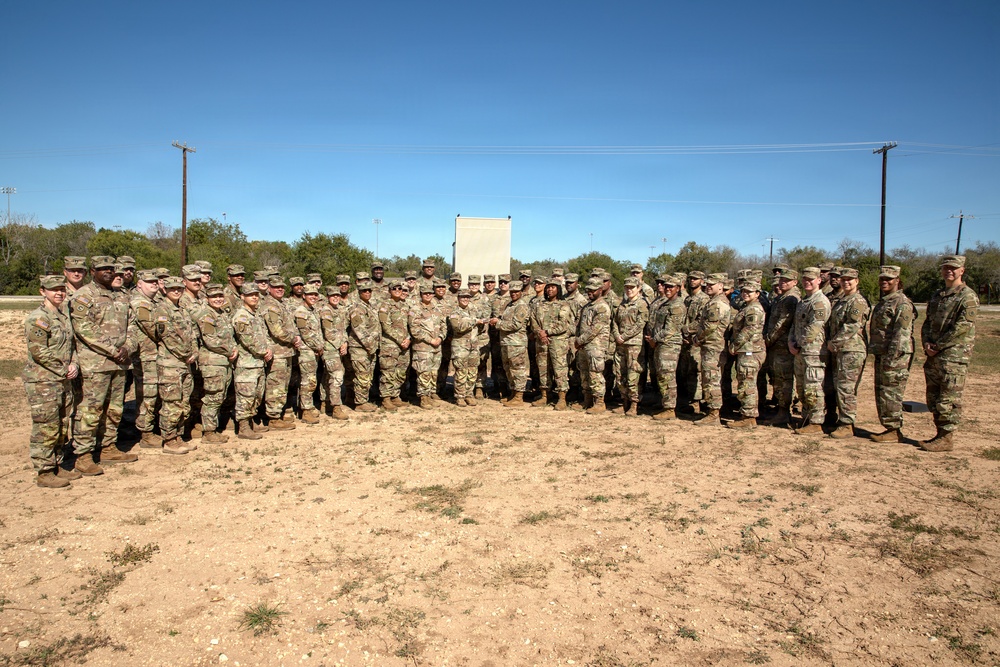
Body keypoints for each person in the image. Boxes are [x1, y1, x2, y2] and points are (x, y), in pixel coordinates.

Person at [70, 255, 137, 472]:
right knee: (90, 410)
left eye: (111, 268)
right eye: (103, 268)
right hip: (96, 364)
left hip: (120, 363)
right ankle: (83, 455)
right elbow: (84, 329)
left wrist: (128, 347)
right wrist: (113, 350)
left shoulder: (121, 296)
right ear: (93, 272)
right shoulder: (84, 296)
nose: (108, 271)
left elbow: (133, 325)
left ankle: (108, 447)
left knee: (115, 409)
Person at [23, 275, 81, 488]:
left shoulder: (63, 316)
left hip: (62, 380)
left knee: (61, 424)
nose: (59, 293)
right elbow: (39, 351)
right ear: (42, 291)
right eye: (53, 289)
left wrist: (74, 363)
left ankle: (57, 464)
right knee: (46, 426)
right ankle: (44, 471)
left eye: (62, 289)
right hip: (43, 381)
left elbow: (71, 346)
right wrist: (63, 368)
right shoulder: (38, 318)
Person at [920, 254, 979, 452]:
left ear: (962, 270)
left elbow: (962, 327)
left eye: (953, 268)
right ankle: (939, 435)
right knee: (934, 397)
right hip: (934, 355)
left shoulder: (967, 296)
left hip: (953, 356)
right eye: (946, 268)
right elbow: (927, 322)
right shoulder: (938, 295)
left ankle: (946, 438)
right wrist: (927, 343)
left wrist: (938, 345)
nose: (949, 271)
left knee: (948, 398)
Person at [867, 265, 916, 443]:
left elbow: (901, 334)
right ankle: (889, 428)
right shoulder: (885, 301)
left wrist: (892, 358)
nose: (884, 282)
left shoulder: (901, 303)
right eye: (882, 279)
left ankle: (894, 430)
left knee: (891, 392)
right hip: (882, 354)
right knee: (883, 391)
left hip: (894, 357)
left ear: (897, 280)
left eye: (888, 279)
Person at [825, 268, 870, 439]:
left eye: (850, 279)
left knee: (846, 387)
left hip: (852, 349)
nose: (846, 282)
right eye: (843, 279)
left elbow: (852, 325)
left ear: (857, 281)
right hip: (840, 350)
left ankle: (847, 424)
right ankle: (840, 419)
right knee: (838, 385)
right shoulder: (843, 300)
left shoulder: (857, 301)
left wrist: (834, 342)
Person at [153, 276, 197, 455]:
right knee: (171, 403)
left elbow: (192, 334)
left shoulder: (183, 310)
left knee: (183, 402)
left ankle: (178, 435)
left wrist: (194, 352)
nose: (176, 291)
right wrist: (186, 354)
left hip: (185, 363)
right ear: (165, 290)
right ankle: (169, 439)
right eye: (172, 289)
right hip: (170, 363)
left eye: (179, 288)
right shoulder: (162, 309)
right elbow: (168, 337)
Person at [789, 267, 831, 435]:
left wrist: (798, 343)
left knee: (813, 387)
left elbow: (814, 328)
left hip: (813, 352)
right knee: (802, 387)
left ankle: (816, 422)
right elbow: (794, 325)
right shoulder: (803, 302)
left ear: (819, 280)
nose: (807, 282)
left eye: (811, 279)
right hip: (800, 351)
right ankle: (806, 417)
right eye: (805, 279)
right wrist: (791, 342)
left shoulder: (819, 302)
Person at [194, 284, 239, 442]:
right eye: (214, 297)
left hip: (224, 362)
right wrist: (229, 350)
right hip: (212, 362)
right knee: (213, 397)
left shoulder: (221, 314)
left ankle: (214, 427)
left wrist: (234, 348)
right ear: (207, 298)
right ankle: (208, 432)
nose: (218, 299)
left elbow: (230, 336)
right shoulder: (207, 315)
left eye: (220, 296)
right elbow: (210, 339)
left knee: (220, 395)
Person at [128, 270, 164, 450]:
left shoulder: (155, 302)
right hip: (145, 357)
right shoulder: (139, 303)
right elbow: (154, 329)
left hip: (156, 355)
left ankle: (152, 427)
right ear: (139, 284)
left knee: (156, 393)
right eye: (149, 282)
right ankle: (146, 432)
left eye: (155, 281)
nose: (154, 284)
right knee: (147, 395)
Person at [231, 284, 272, 439]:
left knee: (256, 395)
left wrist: (268, 348)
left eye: (256, 294)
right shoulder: (241, 316)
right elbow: (248, 340)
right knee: (245, 396)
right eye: (250, 295)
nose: (254, 297)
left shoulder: (255, 315)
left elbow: (264, 335)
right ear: (242, 297)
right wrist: (264, 351)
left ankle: (250, 422)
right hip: (247, 364)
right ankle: (243, 427)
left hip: (258, 362)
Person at [760, 268, 801, 427]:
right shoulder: (781, 297)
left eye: (786, 280)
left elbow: (782, 324)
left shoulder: (791, 299)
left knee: (784, 379)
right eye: (781, 280)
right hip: (776, 346)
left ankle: (784, 412)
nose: (782, 283)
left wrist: (768, 339)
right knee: (778, 379)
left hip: (783, 346)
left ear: (794, 282)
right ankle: (780, 410)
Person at [261, 276, 302, 429]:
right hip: (277, 352)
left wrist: (295, 337)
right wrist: (293, 338)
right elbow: (277, 331)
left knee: (283, 384)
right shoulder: (270, 306)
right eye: (276, 287)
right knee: (275, 385)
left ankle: (278, 412)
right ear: (269, 288)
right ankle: (273, 417)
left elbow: (290, 325)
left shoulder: (282, 303)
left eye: (282, 287)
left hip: (286, 351)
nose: (280, 289)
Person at [693, 273, 732, 426]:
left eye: (712, 284)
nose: (708, 287)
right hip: (711, 346)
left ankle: (714, 414)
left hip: (713, 347)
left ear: (721, 286)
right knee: (710, 378)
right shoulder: (714, 301)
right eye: (707, 284)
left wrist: (698, 338)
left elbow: (710, 327)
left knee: (712, 380)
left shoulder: (717, 304)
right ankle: (712, 411)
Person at [646, 273, 687, 420]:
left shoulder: (677, 306)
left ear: (678, 288)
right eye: (666, 286)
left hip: (669, 345)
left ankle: (670, 408)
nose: (667, 289)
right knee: (662, 376)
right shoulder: (665, 304)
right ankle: (665, 404)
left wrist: (654, 339)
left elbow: (670, 329)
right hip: (660, 344)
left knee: (668, 376)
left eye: (671, 287)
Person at [530, 277, 575, 409]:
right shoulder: (539, 304)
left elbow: (563, 324)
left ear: (558, 289)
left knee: (559, 369)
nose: (550, 289)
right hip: (541, 342)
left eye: (553, 287)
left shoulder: (563, 305)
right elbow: (533, 320)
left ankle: (562, 398)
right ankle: (545, 395)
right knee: (543, 368)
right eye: (548, 287)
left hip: (557, 342)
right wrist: (539, 332)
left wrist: (547, 332)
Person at [727, 280, 766, 429]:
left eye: (750, 292)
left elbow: (749, 330)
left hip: (751, 351)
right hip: (746, 350)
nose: (745, 294)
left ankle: (749, 417)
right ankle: (746, 415)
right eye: (744, 291)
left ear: (757, 294)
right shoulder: (747, 307)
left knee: (747, 383)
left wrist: (735, 345)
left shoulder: (754, 309)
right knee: (744, 381)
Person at [575, 278, 613, 414]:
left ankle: (599, 402)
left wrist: (580, 340)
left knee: (595, 374)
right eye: (588, 290)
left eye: (593, 290)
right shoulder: (587, 306)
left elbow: (595, 329)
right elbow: (579, 325)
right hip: (584, 346)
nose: (589, 292)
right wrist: (578, 339)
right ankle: (587, 400)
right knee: (584, 373)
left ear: (600, 290)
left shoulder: (602, 307)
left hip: (596, 346)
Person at [612, 277, 649, 416]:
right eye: (627, 287)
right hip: (620, 344)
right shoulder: (622, 304)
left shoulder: (642, 304)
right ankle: (624, 401)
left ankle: (634, 404)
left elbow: (640, 324)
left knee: (633, 374)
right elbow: (614, 322)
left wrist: (624, 336)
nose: (629, 290)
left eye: (632, 287)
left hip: (634, 344)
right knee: (620, 374)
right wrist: (617, 335)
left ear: (638, 288)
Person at [492, 280, 532, 407]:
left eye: (516, 292)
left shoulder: (522, 306)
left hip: (516, 343)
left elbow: (516, 325)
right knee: (508, 368)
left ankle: (519, 396)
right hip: (506, 342)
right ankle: (513, 393)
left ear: (521, 292)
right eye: (512, 292)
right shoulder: (510, 305)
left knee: (518, 369)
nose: (513, 294)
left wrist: (498, 323)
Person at [409, 284, 447, 409]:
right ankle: (423, 398)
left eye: (430, 293)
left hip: (436, 348)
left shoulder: (437, 309)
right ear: (421, 294)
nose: (428, 295)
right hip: (423, 347)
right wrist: (430, 340)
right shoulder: (415, 309)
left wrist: (440, 338)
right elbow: (415, 330)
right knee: (424, 373)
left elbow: (444, 326)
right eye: (425, 293)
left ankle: (430, 395)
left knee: (433, 373)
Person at [377, 279, 411, 411]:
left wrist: (408, 338)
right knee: (388, 372)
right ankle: (386, 399)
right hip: (390, 344)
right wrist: (401, 339)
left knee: (401, 372)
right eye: (394, 289)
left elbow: (410, 325)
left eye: (399, 289)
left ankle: (395, 396)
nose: (397, 291)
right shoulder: (385, 306)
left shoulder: (405, 306)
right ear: (389, 290)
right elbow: (386, 326)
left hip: (404, 345)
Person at [293, 285, 325, 423]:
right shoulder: (301, 312)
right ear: (304, 296)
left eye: (315, 294)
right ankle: (305, 411)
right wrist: (318, 347)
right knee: (308, 382)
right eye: (310, 294)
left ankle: (307, 406)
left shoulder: (312, 310)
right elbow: (306, 334)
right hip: (306, 352)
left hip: (313, 352)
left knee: (311, 381)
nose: (313, 297)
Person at [348, 279, 381, 411]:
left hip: (370, 347)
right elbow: (359, 330)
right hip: (360, 348)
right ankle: (360, 403)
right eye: (364, 291)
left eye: (369, 290)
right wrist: (370, 346)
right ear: (359, 292)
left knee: (367, 375)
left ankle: (363, 399)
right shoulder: (357, 308)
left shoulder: (370, 306)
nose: (367, 293)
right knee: (362, 375)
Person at [449, 289, 485, 406]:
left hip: (474, 345)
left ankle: (469, 394)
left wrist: (480, 323)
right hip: (460, 346)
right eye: (463, 297)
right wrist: (475, 321)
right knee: (461, 371)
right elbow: (458, 327)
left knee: (472, 371)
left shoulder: (474, 311)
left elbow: (481, 327)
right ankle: (460, 396)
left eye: (467, 297)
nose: (465, 299)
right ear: (458, 298)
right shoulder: (455, 312)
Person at [319, 287, 350, 419]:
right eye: (333, 296)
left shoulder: (339, 310)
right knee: (336, 377)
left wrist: (345, 343)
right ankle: (336, 407)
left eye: (337, 295)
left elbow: (343, 330)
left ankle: (325, 403)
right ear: (328, 297)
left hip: (338, 349)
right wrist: (340, 345)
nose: (336, 297)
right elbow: (328, 333)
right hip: (330, 349)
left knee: (328, 377)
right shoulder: (326, 311)